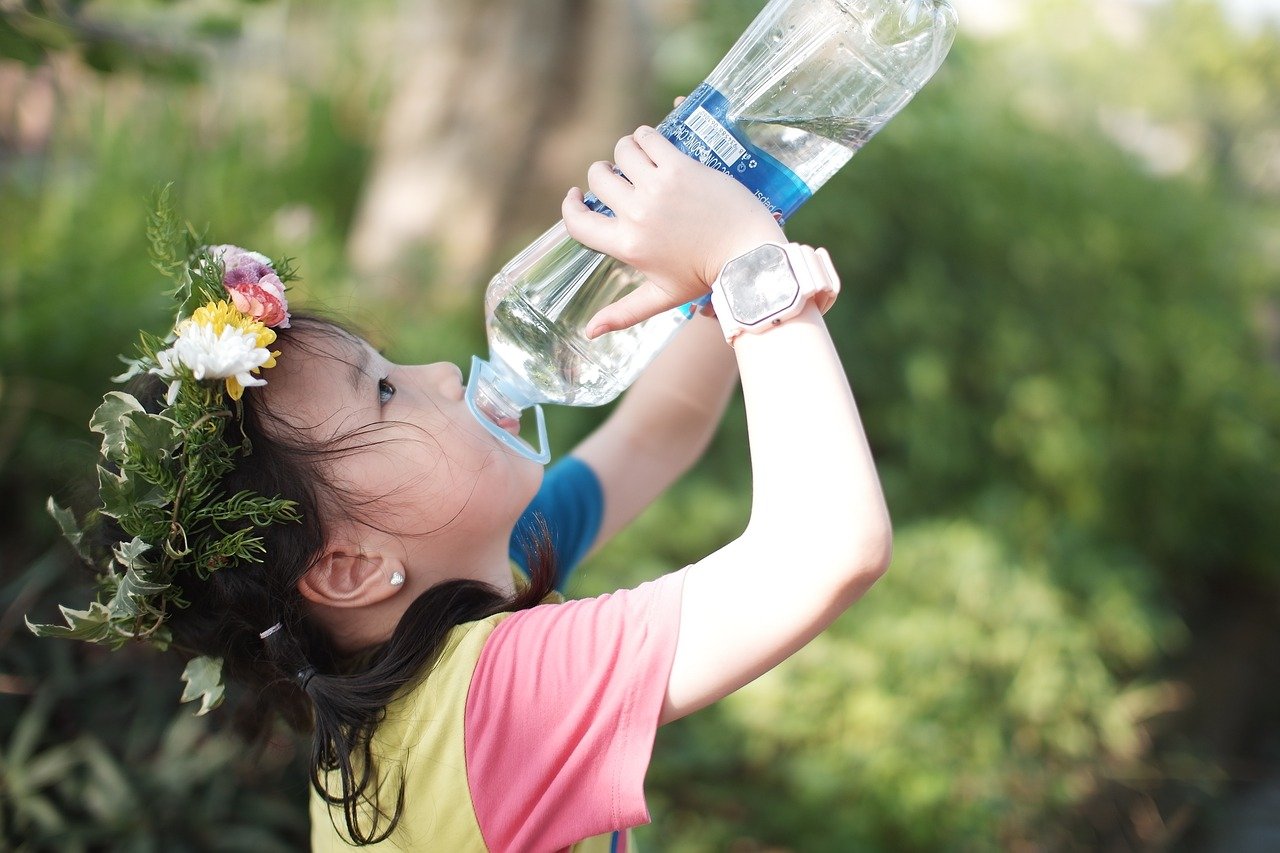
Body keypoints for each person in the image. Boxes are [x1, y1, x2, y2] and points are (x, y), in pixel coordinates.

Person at [32, 126, 890, 851]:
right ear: (348, 567)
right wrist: (746, 261)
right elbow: (826, 550)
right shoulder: (500, 704)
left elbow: (659, 431)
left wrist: (729, 237)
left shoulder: (435, 650)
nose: (441, 370)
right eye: (385, 391)